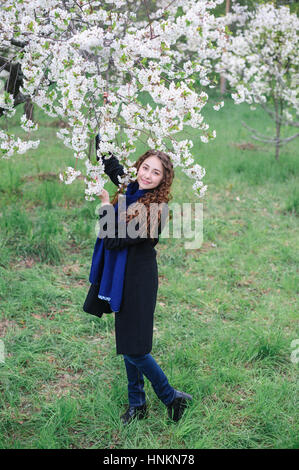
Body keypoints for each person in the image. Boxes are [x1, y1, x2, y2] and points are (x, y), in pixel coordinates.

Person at [83, 98, 192, 425]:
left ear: (163, 180)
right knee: (127, 341)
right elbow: (108, 158)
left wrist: (106, 207)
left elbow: (115, 238)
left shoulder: (156, 211)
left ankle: (172, 398)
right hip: (119, 275)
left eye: (155, 172)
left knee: (134, 348)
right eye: (145, 167)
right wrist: (104, 111)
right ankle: (138, 405)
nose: (147, 174)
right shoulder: (130, 186)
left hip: (138, 280)